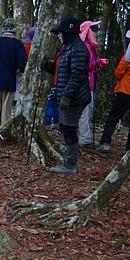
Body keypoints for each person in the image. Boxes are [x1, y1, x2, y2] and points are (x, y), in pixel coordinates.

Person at [47, 16, 91, 175]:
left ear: (68, 33)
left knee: (67, 128)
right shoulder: (69, 48)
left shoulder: (78, 49)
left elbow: (77, 74)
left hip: (75, 97)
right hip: (69, 95)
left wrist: (67, 95)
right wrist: (50, 67)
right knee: (67, 127)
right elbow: (64, 71)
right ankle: (69, 161)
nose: (58, 36)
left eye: (60, 33)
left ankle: (70, 164)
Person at [0, 18, 27, 132]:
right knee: (6, 110)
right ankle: (3, 134)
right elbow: (23, 63)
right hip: (8, 80)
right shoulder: (17, 44)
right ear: (15, 31)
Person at [77, 21, 109, 146]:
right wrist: (98, 63)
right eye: (94, 30)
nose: (96, 33)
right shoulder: (85, 46)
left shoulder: (86, 45)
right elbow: (86, 64)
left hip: (89, 83)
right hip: (86, 84)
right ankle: (85, 138)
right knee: (85, 111)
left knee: (88, 110)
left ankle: (85, 137)